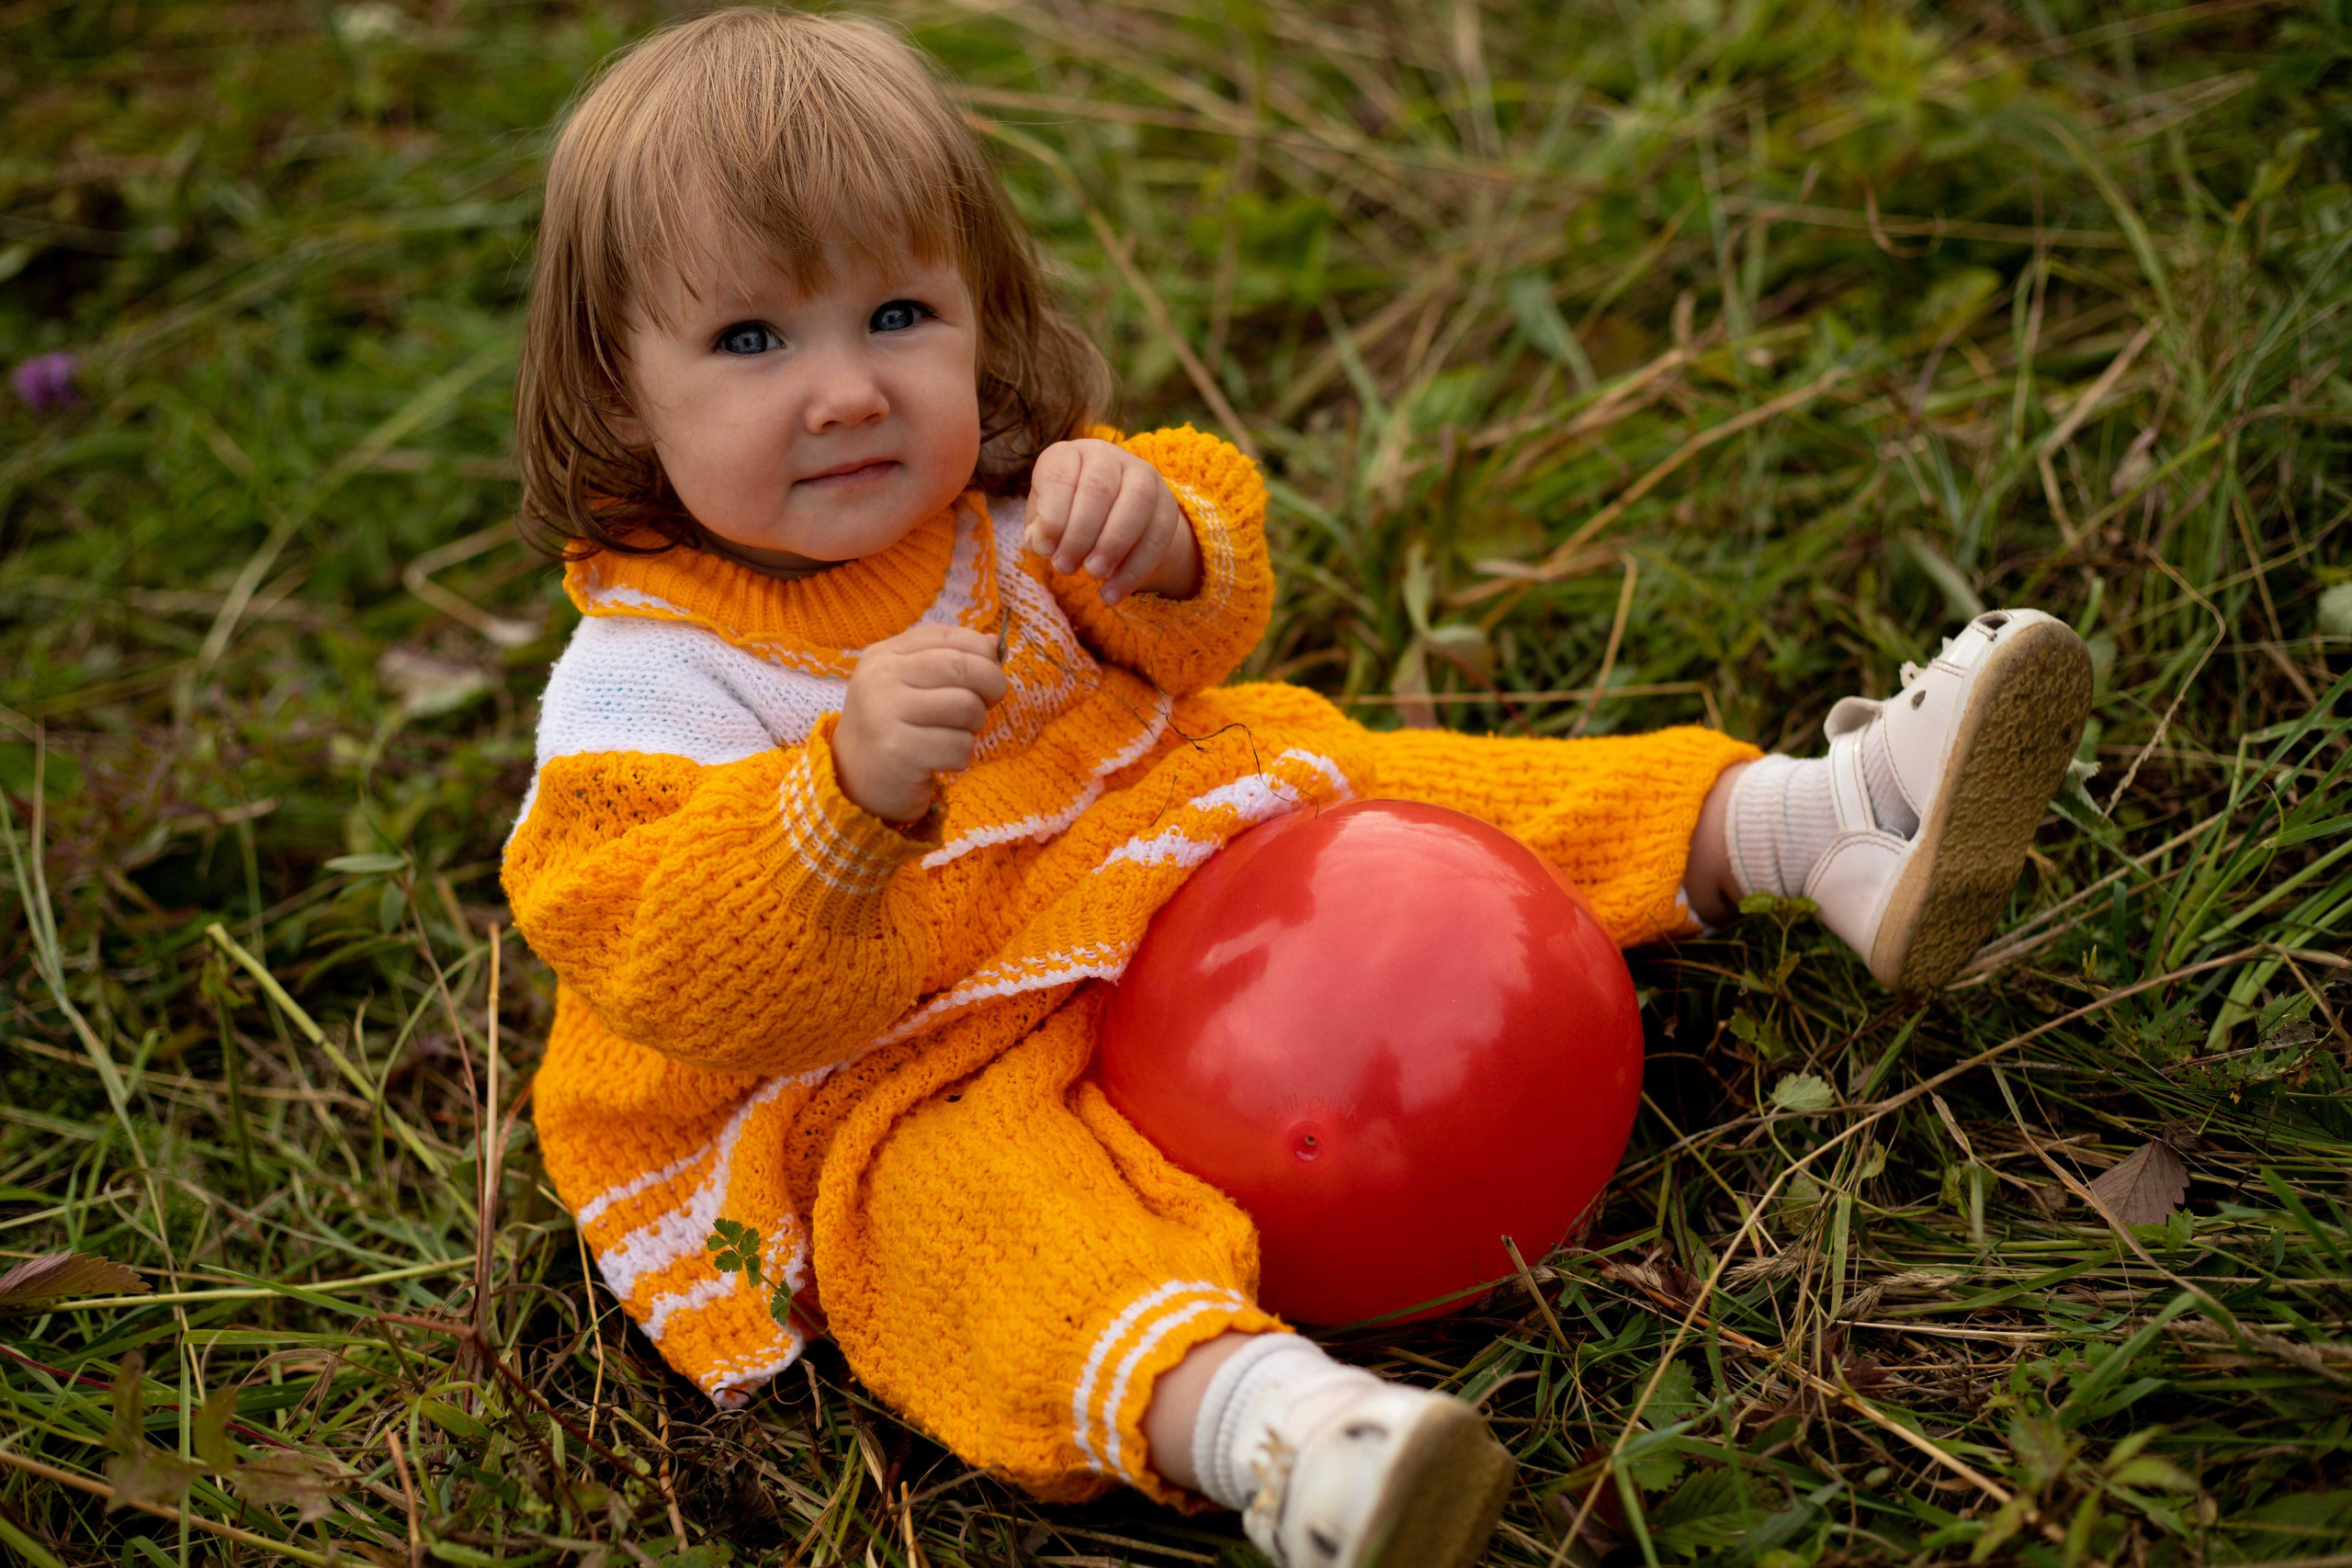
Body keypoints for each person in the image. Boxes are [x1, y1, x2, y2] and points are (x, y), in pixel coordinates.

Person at [500, 11, 2092, 1565]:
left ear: (982, 313)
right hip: (907, 1041)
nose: (846, 389)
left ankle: (1835, 827)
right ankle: (1272, 1430)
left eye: (900, 316)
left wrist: (1162, 535)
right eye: (755, 339)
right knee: (968, 1216)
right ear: (622, 392)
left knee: (1414, 800)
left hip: (1173, 854)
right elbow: (678, 972)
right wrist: (836, 802)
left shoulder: (1004, 498)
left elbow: (1208, 632)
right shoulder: (653, 683)